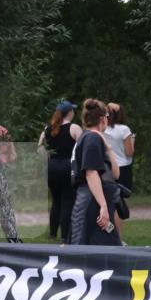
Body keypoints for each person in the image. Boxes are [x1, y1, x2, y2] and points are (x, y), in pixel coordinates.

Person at [68, 99, 121, 246]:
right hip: (93, 202)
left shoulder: (94, 138)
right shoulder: (91, 138)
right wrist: (103, 206)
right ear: (103, 119)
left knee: (111, 242)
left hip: (97, 201)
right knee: (99, 250)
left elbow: (116, 175)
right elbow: (91, 173)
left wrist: (109, 148)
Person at [38, 100, 82, 241]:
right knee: (68, 200)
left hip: (52, 167)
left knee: (56, 201)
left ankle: (52, 234)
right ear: (69, 113)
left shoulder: (47, 129)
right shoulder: (74, 128)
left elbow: (40, 147)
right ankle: (65, 236)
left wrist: (48, 159)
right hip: (67, 166)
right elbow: (82, 148)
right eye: (73, 110)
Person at [104, 102, 135, 239]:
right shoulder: (124, 129)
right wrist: (132, 140)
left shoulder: (102, 128)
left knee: (107, 203)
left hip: (106, 167)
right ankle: (119, 239)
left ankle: (108, 235)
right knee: (119, 205)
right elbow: (129, 152)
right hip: (123, 168)